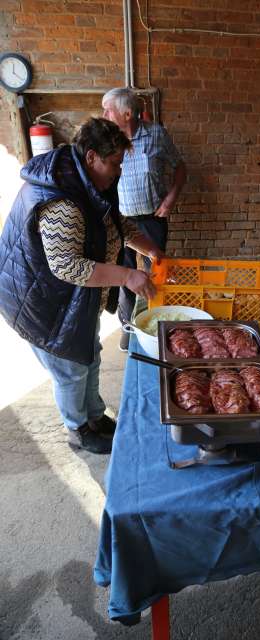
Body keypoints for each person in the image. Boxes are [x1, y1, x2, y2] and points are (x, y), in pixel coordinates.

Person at [0, 117, 163, 454]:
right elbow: (67, 266)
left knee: (90, 354)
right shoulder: (64, 202)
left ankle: (94, 415)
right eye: (114, 164)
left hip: (72, 299)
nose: (118, 171)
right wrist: (126, 275)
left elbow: (115, 222)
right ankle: (78, 430)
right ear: (92, 157)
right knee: (71, 370)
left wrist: (148, 247)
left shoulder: (90, 182)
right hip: (43, 302)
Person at [102, 87, 187, 351]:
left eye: (109, 109)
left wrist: (170, 199)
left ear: (127, 114)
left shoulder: (157, 135)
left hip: (152, 217)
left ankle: (154, 327)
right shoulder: (107, 140)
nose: (104, 114)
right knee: (124, 276)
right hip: (120, 219)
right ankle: (128, 327)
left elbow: (180, 167)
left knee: (155, 272)